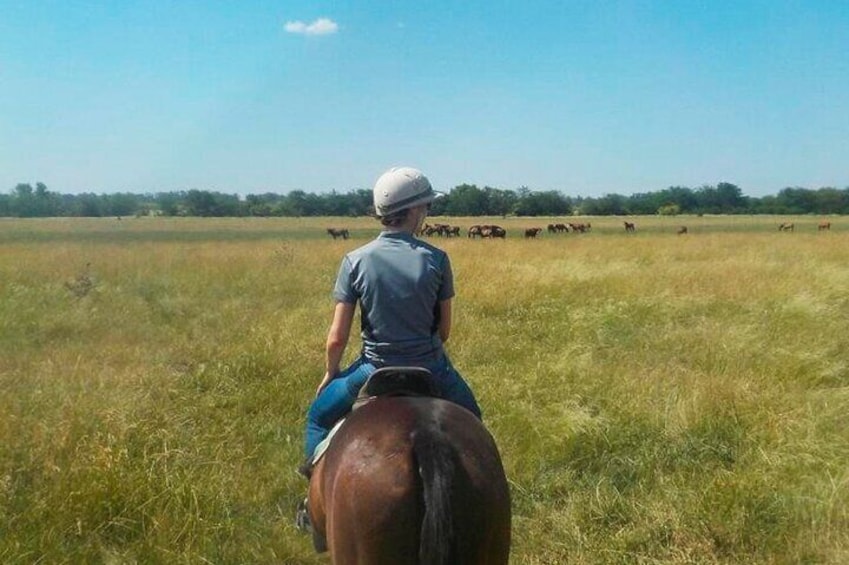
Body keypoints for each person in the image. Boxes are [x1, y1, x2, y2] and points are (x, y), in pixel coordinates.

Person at [301, 166, 482, 475]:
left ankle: (311, 495)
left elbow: (336, 337)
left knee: (318, 418)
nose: (426, 212)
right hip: (431, 366)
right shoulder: (437, 259)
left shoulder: (354, 260)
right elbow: (444, 330)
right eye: (426, 205)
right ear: (412, 209)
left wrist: (331, 373)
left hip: (372, 367)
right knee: (474, 421)